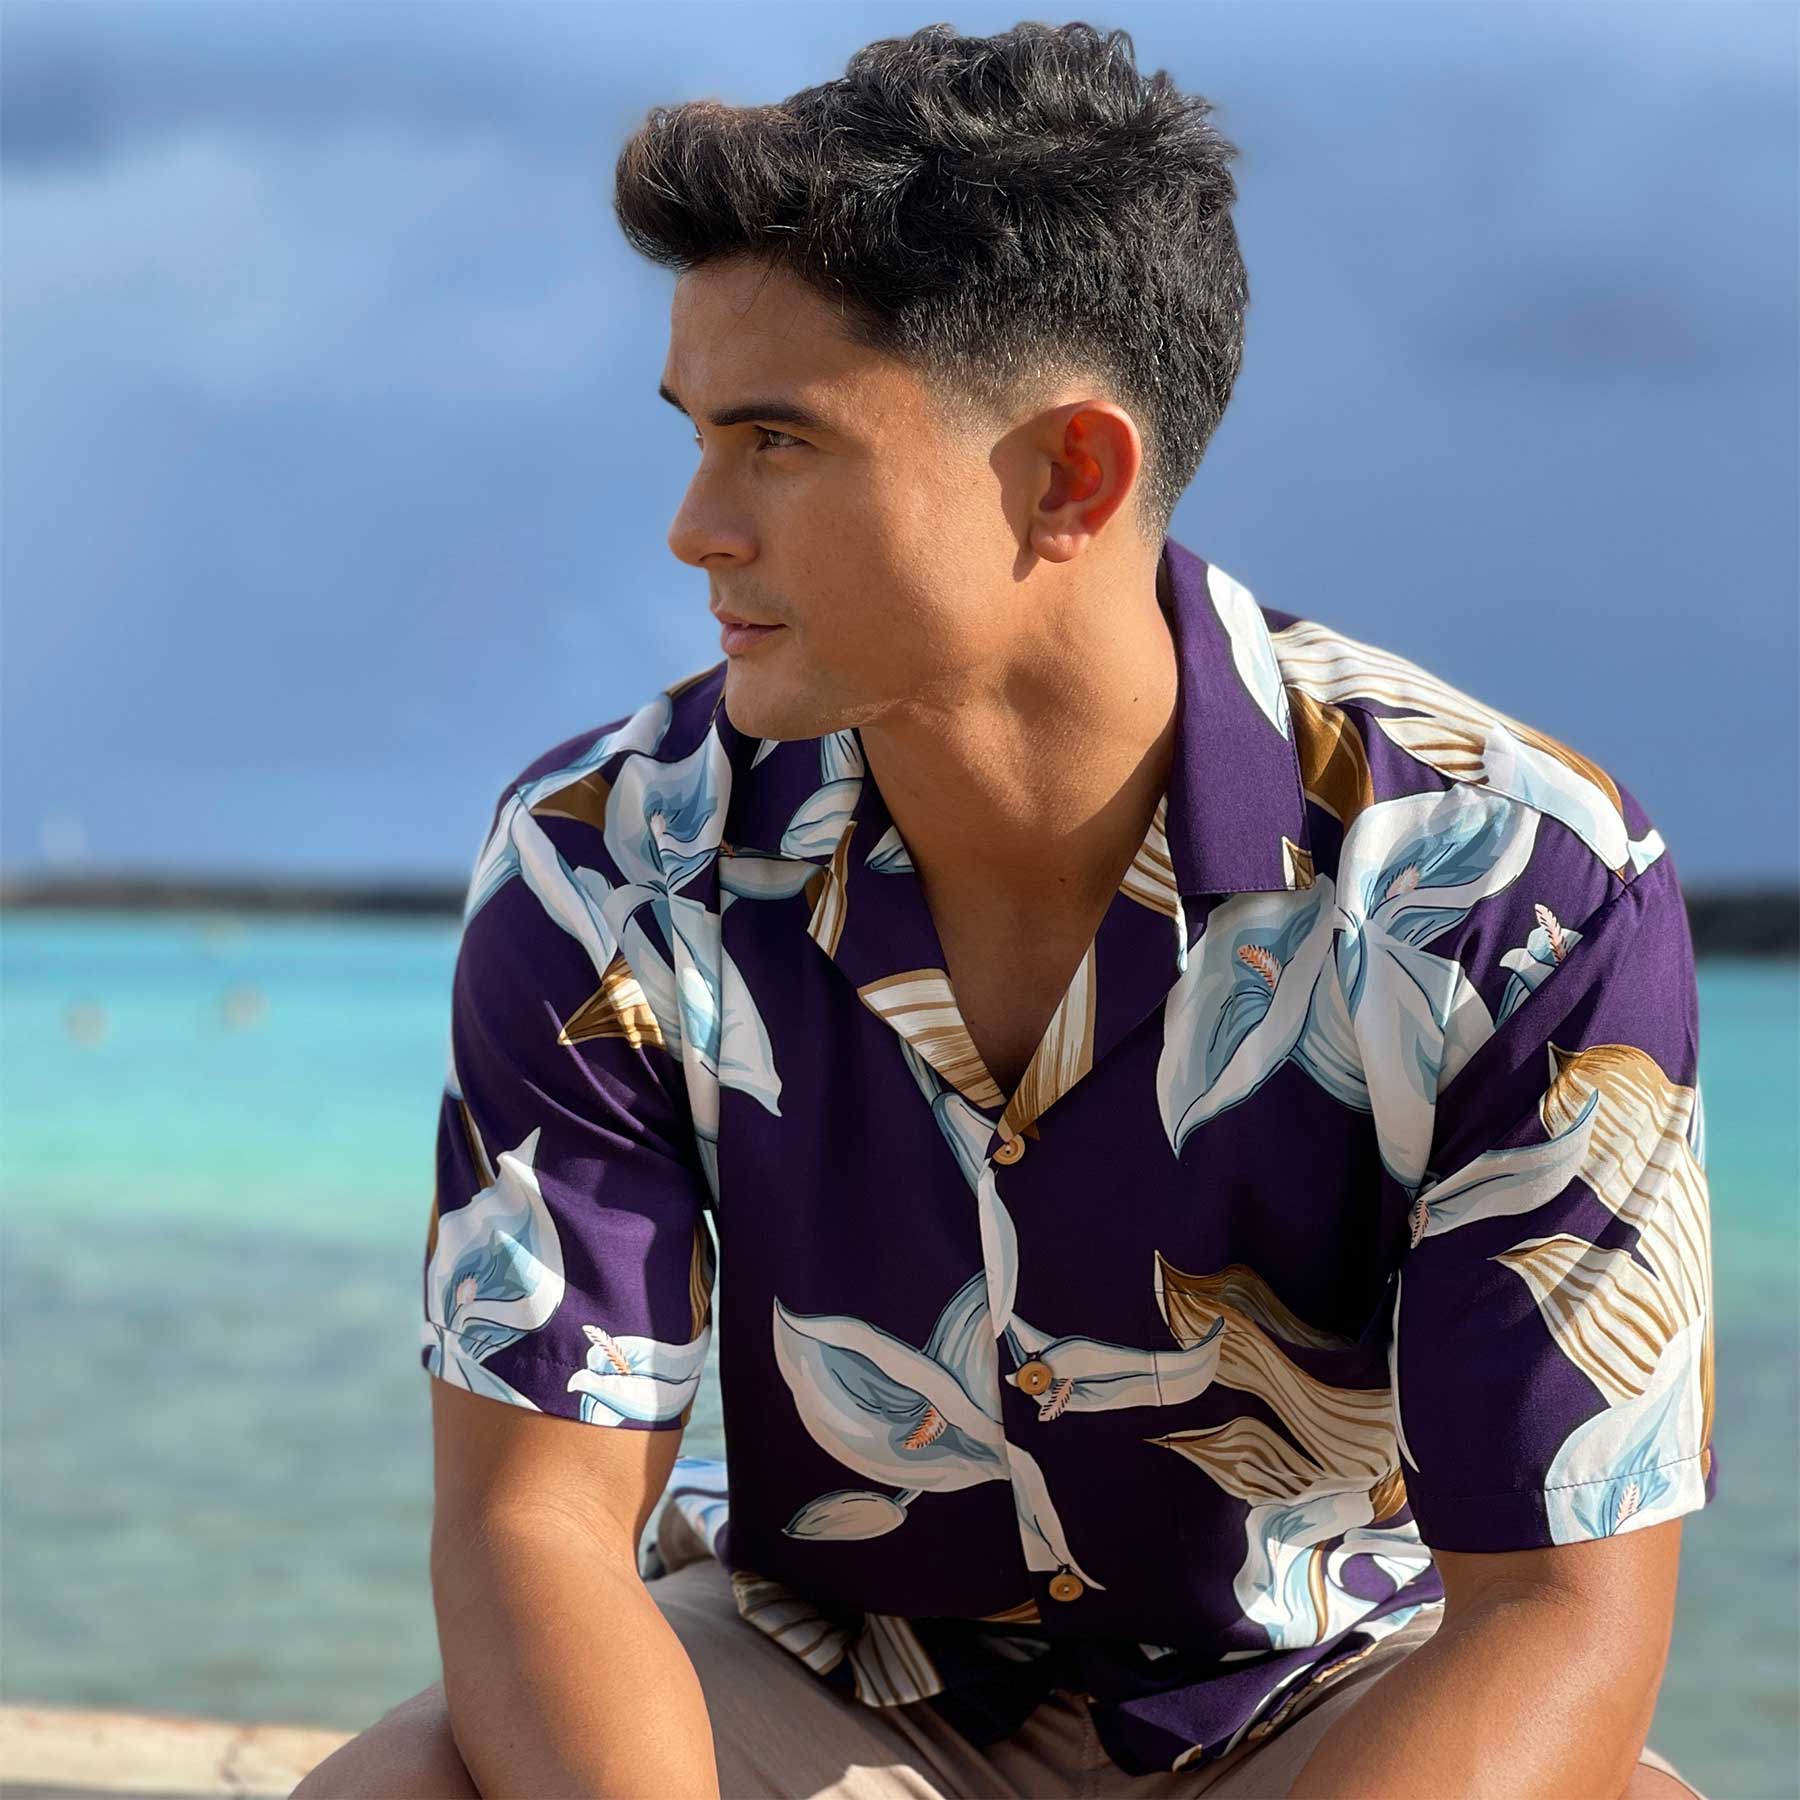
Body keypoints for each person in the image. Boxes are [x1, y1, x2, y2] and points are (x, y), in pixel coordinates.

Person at [293, 21, 1715, 1799]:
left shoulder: (1511, 884)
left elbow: (1558, 1614)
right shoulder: (608, 859)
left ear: (1069, 480)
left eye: (776, 441)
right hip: (824, 1675)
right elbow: (539, 1524)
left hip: (1330, 1698)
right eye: (698, 436)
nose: (694, 526)